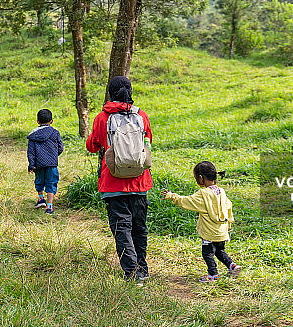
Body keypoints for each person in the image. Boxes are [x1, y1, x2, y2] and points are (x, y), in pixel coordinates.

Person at [86, 76, 152, 281]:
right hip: (140, 181)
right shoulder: (142, 116)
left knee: (121, 228)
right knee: (139, 228)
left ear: (110, 92)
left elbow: (91, 146)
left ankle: (133, 273)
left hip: (113, 182)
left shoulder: (102, 118)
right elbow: (148, 143)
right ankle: (143, 268)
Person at [162, 161, 241, 282]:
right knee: (219, 251)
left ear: (200, 178)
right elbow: (228, 206)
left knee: (208, 254)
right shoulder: (221, 191)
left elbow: (186, 201)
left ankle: (213, 275)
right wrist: (228, 224)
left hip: (209, 233)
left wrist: (171, 196)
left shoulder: (204, 194)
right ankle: (232, 266)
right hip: (222, 231)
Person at [27, 108, 63, 215]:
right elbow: (60, 147)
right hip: (52, 164)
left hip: (38, 164)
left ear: (38, 121)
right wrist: (53, 156)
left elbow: (31, 152)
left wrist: (31, 164)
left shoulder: (33, 135)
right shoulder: (55, 133)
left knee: (39, 181)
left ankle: (41, 199)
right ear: (51, 121)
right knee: (51, 183)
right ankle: (49, 206)